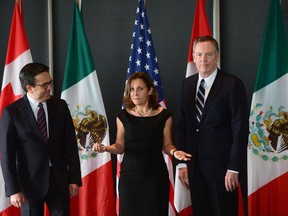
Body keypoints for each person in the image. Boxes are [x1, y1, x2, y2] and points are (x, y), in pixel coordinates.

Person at [93, 72, 191, 216]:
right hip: (130, 178)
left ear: (150, 91)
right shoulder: (122, 116)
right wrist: (105, 148)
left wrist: (175, 152)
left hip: (155, 178)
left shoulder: (164, 115)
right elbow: (120, 147)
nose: (135, 93)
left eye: (140, 89)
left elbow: (167, 145)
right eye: (131, 89)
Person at [176, 36, 249, 216]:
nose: (203, 59)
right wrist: (181, 164)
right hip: (194, 168)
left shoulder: (232, 84)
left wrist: (233, 168)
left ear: (217, 56)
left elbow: (239, 129)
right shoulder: (187, 84)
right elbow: (182, 126)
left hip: (223, 170)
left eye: (208, 54)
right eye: (199, 54)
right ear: (193, 56)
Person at [0, 63, 82, 216]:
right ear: (29, 88)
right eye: (45, 85)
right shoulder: (12, 113)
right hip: (29, 184)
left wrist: (74, 178)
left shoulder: (60, 106)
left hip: (59, 180)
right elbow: (7, 156)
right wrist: (13, 190)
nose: (50, 87)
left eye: (50, 82)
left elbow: (70, 145)